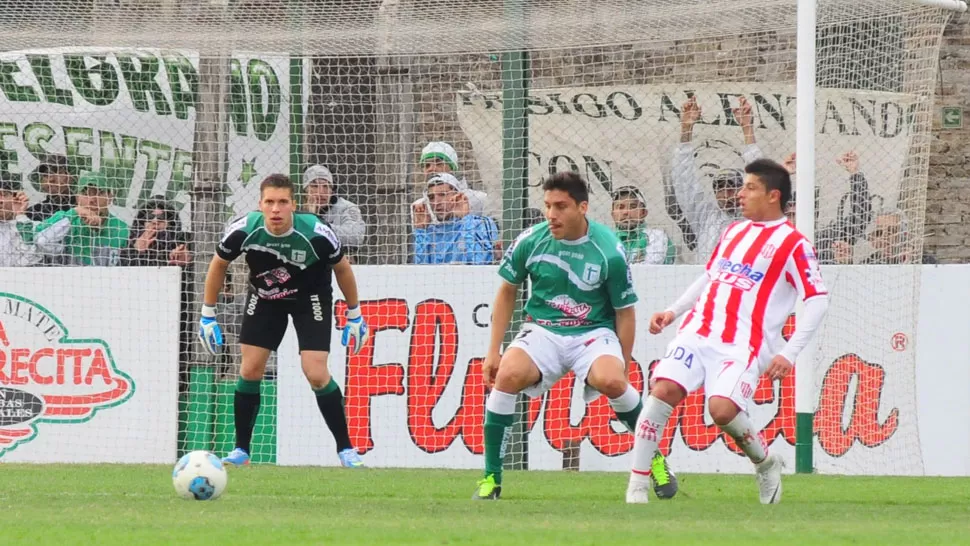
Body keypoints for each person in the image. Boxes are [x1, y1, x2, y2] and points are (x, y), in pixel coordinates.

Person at [626, 159, 830, 504]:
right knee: (662, 391)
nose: (740, 194)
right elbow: (711, 276)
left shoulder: (794, 244)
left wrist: (789, 352)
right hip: (698, 331)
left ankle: (765, 464)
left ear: (772, 196)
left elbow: (818, 299)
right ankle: (637, 488)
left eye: (750, 187)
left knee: (721, 410)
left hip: (743, 343)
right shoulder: (733, 232)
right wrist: (673, 311)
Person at [473, 171, 676, 501]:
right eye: (548, 206)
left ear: (582, 207)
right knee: (506, 375)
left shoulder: (609, 249)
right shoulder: (531, 240)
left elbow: (625, 311)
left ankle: (654, 460)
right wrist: (493, 351)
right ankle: (491, 479)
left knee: (612, 382)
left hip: (593, 333)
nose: (552, 214)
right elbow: (507, 291)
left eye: (561, 206)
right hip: (543, 330)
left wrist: (622, 362)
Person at [196, 174, 371, 468]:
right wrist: (207, 313)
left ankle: (346, 449)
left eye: (282, 202)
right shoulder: (242, 230)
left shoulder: (317, 232)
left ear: (294, 205)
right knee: (250, 369)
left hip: (311, 298)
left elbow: (342, 269)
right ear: (260, 205)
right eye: (270, 202)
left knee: (315, 372)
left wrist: (354, 313)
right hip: (265, 298)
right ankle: (241, 451)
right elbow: (218, 265)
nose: (276, 209)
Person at [671, 96, 763, 261]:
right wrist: (686, 129)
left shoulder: (753, 217)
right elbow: (684, 179)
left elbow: (759, 177)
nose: (726, 195)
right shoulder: (705, 216)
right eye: (720, 189)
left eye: (731, 188)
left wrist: (747, 129)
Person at [33, 170, 128, 266]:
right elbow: (41, 241)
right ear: (77, 198)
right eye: (86, 193)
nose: (92, 200)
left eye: (99, 193)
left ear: (110, 197)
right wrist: (75, 212)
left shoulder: (122, 229)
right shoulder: (67, 223)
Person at [413, 173, 499, 264]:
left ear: (457, 195)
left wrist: (466, 219)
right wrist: (421, 231)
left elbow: (480, 262)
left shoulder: (482, 224)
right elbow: (421, 271)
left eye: (442, 195)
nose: (436, 202)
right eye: (431, 197)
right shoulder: (431, 232)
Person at [302, 164, 366, 251]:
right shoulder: (295, 209)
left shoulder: (347, 208)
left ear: (332, 190)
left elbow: (355, 237)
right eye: (315, 186)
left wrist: (318, 225)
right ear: (305, 190)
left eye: (326, 186)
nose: (321, 192)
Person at [611, 185, 676, 264]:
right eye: (620, 207)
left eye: (632, 207)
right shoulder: (607, 240)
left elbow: (648, 271)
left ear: (643, 213)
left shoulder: (657, 236)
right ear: (613, 215)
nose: (626, 212)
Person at [0, 173, 40, 267]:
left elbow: (30, 260)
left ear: (15, 197)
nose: (0, 200)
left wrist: (20, 215)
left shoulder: (33, 226)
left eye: (4, 195)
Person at [25, 154, 74, 222]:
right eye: (46, 175)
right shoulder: (32, 213)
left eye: (57, 173)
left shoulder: (82, 207)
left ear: (70, 176)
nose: (51, 179)